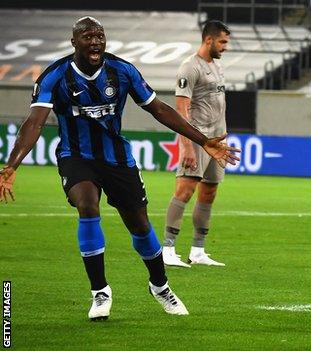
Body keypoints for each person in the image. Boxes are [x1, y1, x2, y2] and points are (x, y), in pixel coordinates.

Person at [0, 17, 240, 321]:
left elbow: (159, 109)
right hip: (76, 156)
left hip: (117, 159)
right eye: (88, 37)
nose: (96, 42)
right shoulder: (54, 76)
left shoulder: (122, 71)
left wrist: (203, 140)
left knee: (139, 225)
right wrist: (11, 165)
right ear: (74, 42)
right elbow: (34, 122)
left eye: (100, 36)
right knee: (88, 207)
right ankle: (100, 292)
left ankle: (160, 286)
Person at [161, 20, 231, 268]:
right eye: (222, 42)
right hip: (199, 140)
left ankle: (198, 251)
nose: (225, 47)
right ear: (209, 40)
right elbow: (182, 110)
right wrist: (188, 146)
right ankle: (168, 250)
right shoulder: (189, 67)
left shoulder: (217, 66)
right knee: (185, 190)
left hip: (218, 142)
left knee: (209, 192)